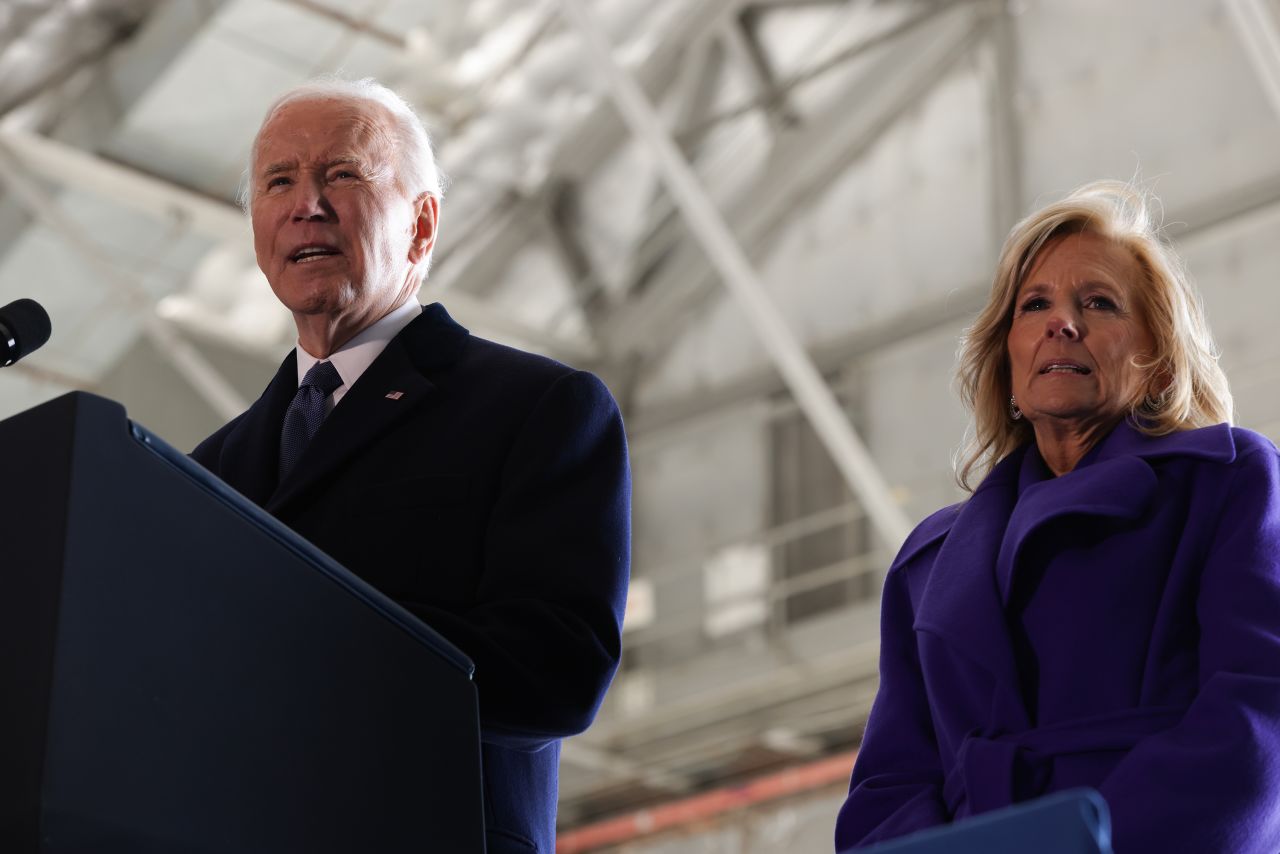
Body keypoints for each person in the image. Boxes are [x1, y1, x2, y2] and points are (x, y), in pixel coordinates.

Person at [191, 77, 630, 854]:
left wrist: (305, 639)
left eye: (343, 174)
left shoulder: (538, 406)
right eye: (279, 181)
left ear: (422, 224)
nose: (307, 205)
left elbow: (557, 672)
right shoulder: (207, 471)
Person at [834, 181, 1280, 852]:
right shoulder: (927, 563)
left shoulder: (1229, 480)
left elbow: (1258, 712)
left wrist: (1081, 842)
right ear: (1008, 366)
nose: (1060, 323)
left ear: (1158, 363)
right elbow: (889, 786)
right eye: (1034, 304)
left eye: (1098, 303)